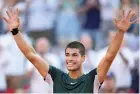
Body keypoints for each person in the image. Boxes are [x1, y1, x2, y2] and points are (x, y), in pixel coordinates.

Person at [2, 7, 138, 93]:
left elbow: (109, 56)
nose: (70, 58)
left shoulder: (92, 79)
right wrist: (15, 31)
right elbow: (30, 54)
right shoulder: (55, 77)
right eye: (67, 55)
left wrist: (120, 32)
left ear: (84, 58)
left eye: (74, 55)